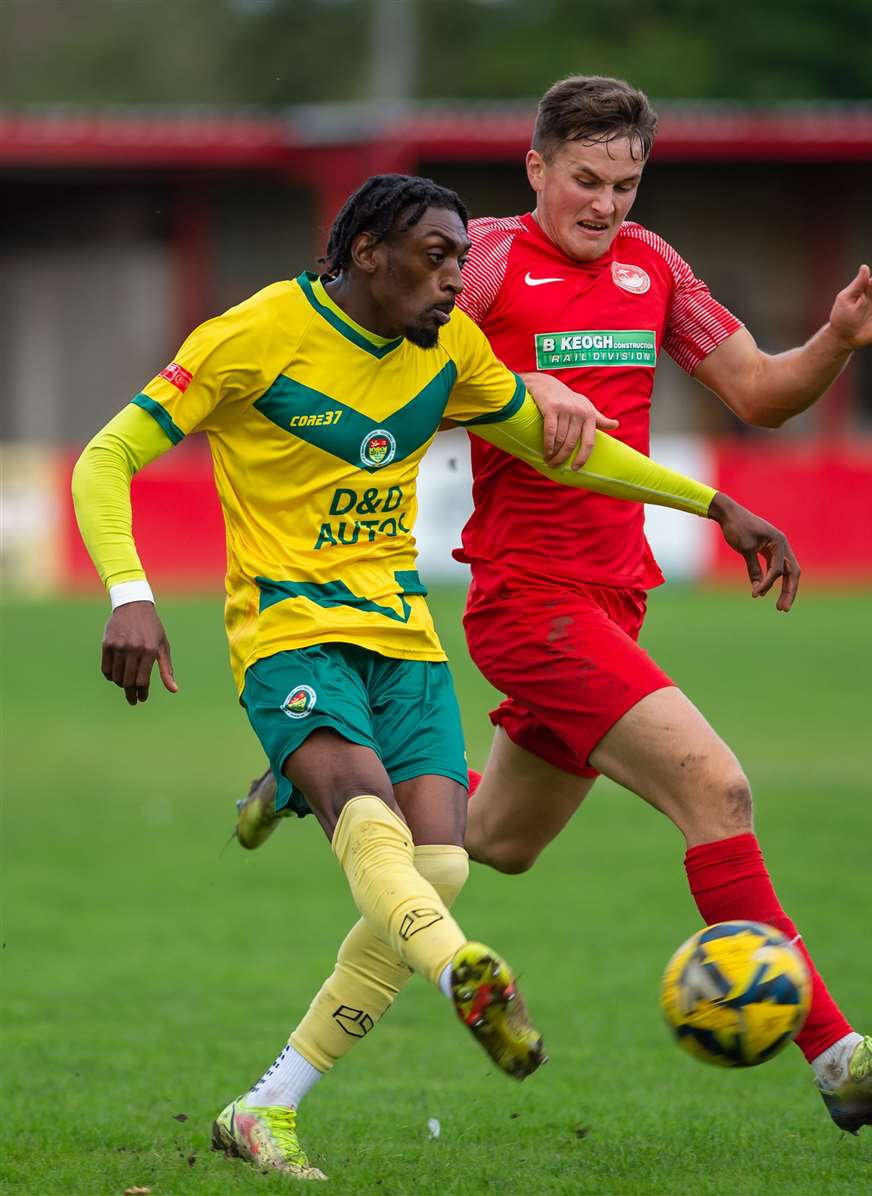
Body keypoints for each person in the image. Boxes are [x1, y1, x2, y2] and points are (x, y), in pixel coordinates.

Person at [238, 79, 872, 1139]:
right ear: (536, 166)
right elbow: (374, 364)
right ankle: (841, 1057)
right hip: (527, 601)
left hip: (614, 600)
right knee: (717, 787)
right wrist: (523, 392)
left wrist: (840, 337)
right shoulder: (478, 260)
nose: (606, 203)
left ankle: (311, 775)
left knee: (496, 836)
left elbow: (759, 391)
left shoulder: (654, 266)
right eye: (585, 179)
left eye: (626, 182)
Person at [73, 172, 802, 1181]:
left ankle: (264, 1105)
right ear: (367, 252)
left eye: (463, 257)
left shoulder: (447, 351)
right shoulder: (251, 335)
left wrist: (714, 504)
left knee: (442, 868)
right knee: (375, 826)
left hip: (403, 634)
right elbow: (105, 457)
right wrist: (129, 590)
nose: (459, 278)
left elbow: (568, 453)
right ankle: (461, 960)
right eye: (437, 255)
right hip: (288, 629)